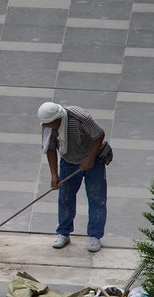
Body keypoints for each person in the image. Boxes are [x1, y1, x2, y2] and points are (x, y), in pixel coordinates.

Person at [38, 102, 106, 252]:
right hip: (68, 160)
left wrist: (90, 158)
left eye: (50, 124)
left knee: (96, 198)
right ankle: (63, 233)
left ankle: (95, 236)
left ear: (58, 119)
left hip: (93, 159)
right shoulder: (47, 124)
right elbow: (50, 148)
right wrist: (54, 174)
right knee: (65, 197)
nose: (47, 126)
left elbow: (99, 134)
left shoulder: (80, 118)